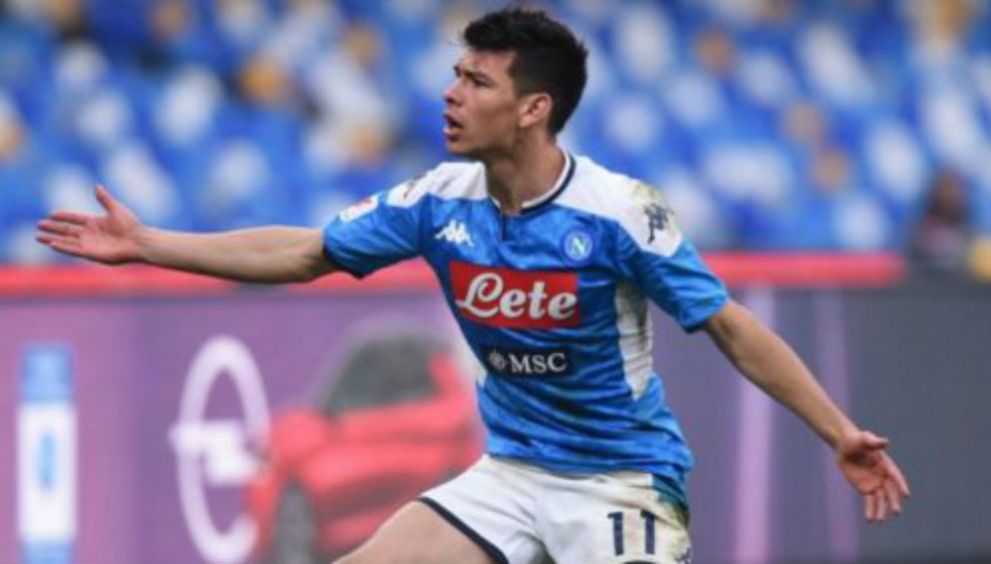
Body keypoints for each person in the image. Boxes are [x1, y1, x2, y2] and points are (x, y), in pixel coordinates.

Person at [36, 8, 909, 564]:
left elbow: (730, 327)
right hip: (511, 475)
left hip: (620, 483)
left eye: (476, 81)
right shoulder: (438, 200)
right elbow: (304, 253)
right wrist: (150, 244)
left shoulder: (618, 213)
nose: (450, 94)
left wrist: (838, 432)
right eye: (456, 74)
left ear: (533, 109)